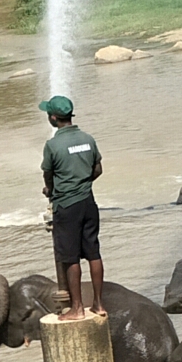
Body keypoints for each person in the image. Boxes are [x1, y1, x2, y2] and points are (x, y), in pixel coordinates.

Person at [38, 95, 105, 321]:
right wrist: (82, 183)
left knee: (70, 257)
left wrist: (50, 189)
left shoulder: (53, 145)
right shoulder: (88, 139)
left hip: (66, 206)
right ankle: (98, 304)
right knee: (93, 253)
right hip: (88, 202)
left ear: (54, 118)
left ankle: (76, 308)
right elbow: (98, 169)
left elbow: (48, 174)